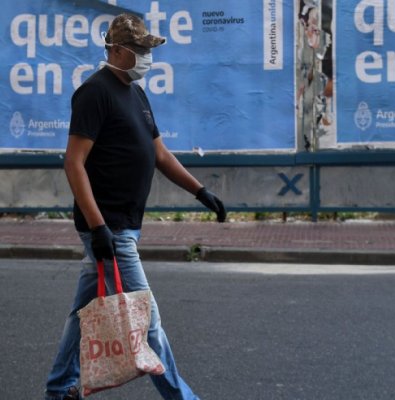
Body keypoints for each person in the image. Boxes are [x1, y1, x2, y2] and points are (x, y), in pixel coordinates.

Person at [44, 13, 226, 400]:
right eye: (140, 49)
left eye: (148, 49)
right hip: (109, 226)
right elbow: (73, 162)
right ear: (117, 51)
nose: (147, 56)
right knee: (148, 322)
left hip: (123, 224)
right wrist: (97, 229)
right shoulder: (94, 93)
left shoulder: (135, 93)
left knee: (84, 313)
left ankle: (58, 390)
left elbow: (159, 153)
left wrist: (200, 191)